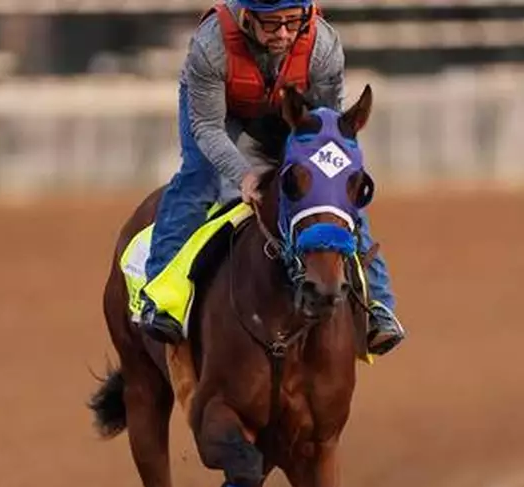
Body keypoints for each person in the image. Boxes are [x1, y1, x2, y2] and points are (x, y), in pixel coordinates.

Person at [138, 0, 405, 356]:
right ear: (247, 18)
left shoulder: (323, 45)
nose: (283, 33)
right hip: (220, 116)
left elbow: (327, 130)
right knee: (199, 180)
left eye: (292, 22)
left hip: (289, 108)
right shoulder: (211, 45)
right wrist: (243, 174)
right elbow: (208, 128)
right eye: (271, 24)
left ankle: (378, 305)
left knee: (335, 189)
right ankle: (161, 298)